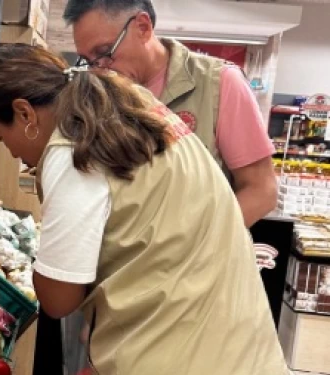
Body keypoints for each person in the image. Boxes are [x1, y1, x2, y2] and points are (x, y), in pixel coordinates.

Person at [0, 44, 289, 375]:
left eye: (1, 139)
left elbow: (58, 297)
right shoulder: (138, 113)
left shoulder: (73, 148)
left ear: (24, 113)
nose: (16, 155)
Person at [65, 0, 276, 228]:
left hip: (196, 258)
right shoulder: (102, 96)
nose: (100, 70)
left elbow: (261, 191)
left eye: (105, 52)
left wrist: (199, 245)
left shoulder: (219, 83)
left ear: (143, 27)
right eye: (88, 61)